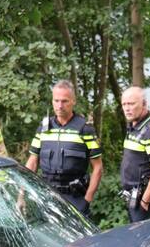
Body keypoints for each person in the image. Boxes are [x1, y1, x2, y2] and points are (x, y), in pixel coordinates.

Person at [25, 80, 103, 215]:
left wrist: (87, 200)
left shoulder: (85, 129)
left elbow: (98, 167)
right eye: (56, 101)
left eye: (64, 101)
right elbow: (32, 162)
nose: (60, 105)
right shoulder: (43, 128)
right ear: (52, 101)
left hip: (76, 197)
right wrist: (22, 194)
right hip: (47, 197)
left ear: (73, 101)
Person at [120, 86, 150, 222]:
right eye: (124, 104)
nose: (127, 108)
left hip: (145, 201)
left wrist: (145, 201)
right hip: (133, 198)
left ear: (144, 104)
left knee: (143, 242)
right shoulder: (134, 127)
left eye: (131, 103)